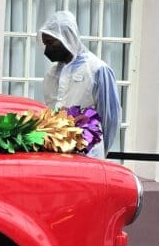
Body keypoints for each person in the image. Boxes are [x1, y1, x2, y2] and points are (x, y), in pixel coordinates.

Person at [39, 11, 122, 157]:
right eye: (45, 44)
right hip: (58, 151)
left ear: (67, 38)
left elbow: (110, 118)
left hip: (89, 152)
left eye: (51, 43)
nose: (47, 50)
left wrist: (102, 151)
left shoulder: (97, 69)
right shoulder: (53, 73)